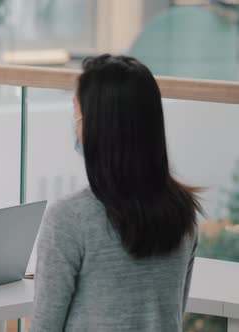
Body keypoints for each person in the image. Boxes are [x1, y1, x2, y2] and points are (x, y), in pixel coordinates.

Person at [29, 55, 201, 331]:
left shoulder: (68, 219)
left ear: (96, 125)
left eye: (75, 109)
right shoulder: (183, 211)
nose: (74, 122)